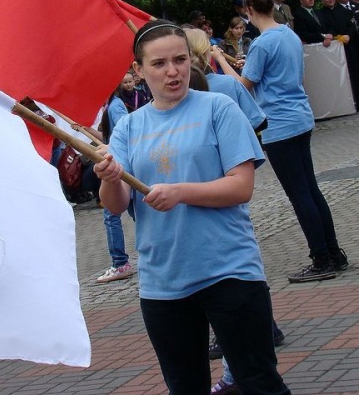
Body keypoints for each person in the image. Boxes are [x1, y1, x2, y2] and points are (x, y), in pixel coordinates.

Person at [95, 20, 290, 395]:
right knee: (185, 388)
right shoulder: (129, 128)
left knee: (259, 383)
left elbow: (241, 186)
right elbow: (116, 204)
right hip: (163, 281)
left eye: (180, 60)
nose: (173, 71)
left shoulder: (219, 108)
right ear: (138, 69)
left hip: (229, 269)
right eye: (159, 63)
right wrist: (109, 178)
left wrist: (180, 192)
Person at [214, 0, 348, 283]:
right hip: (300, 116)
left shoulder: (262, 44)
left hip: (278, 124)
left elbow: (242, 86)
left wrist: (221, 60)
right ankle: (334, 252)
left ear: (249, 10)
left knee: (299, 194)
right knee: (311, 189)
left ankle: (321, 258)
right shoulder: (288, 34)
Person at [94, 72, 141, 284]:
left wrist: (112, 148)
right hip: (120, 166)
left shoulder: (115, 107)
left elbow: (127, 136)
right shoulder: (110, 106)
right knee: (135, 212)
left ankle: (120, 262)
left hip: (122, 168)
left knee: (113, 214)